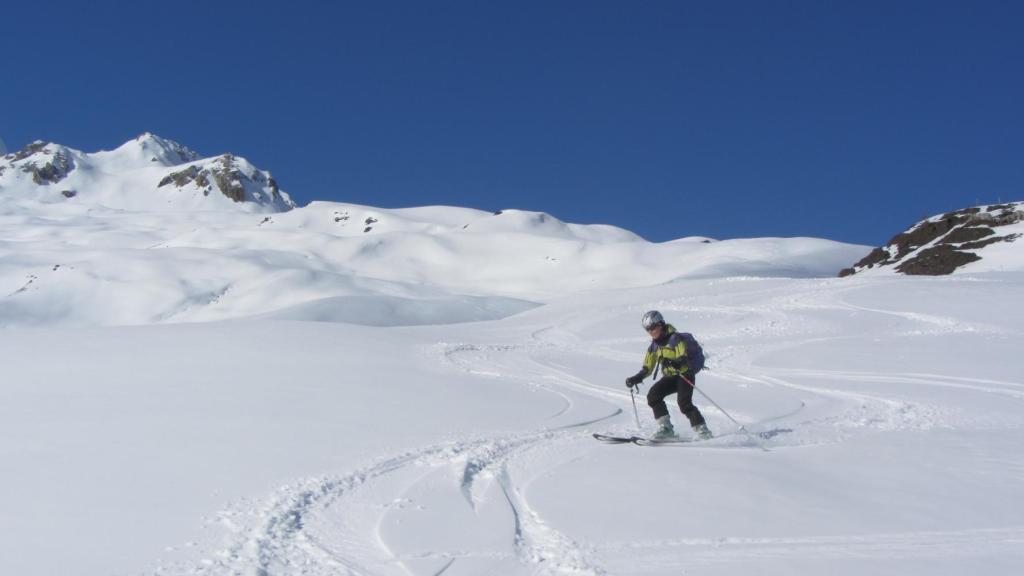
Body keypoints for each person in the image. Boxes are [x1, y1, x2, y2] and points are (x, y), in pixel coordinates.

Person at [625, 310, 712, 439]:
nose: (650, 332)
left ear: (660, 325)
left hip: (684, 375)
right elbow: (648, 367)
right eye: (647, 329)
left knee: (684, 403)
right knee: (653, 396)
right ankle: (666, 429)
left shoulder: (676, 339)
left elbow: (683, 358)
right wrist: (636, 378)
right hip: (670, 377)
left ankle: (703, 431)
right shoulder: (654, 347)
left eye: (652, 328)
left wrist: (674, 361)